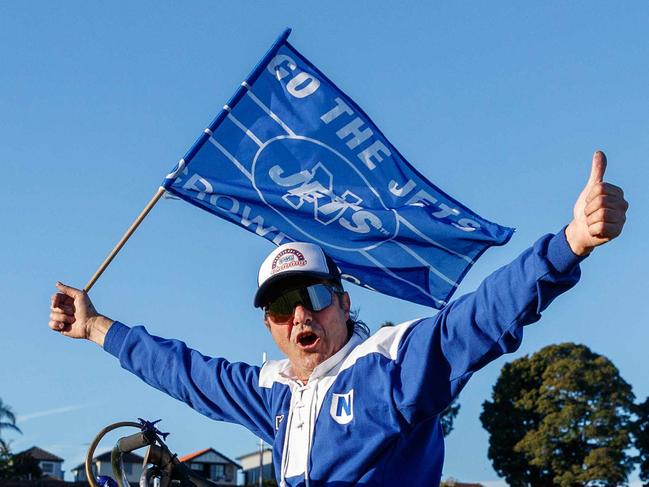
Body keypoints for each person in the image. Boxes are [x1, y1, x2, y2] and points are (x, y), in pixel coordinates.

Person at [49, 152, 627, 486]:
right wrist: (97, 327)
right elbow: (188, 373)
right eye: (280, 305)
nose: (299, 312)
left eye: (314, 294)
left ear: (344, 302)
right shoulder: (275, 392)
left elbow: (473, 322)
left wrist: (570, 243)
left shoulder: (389, 366)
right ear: (270, 325)